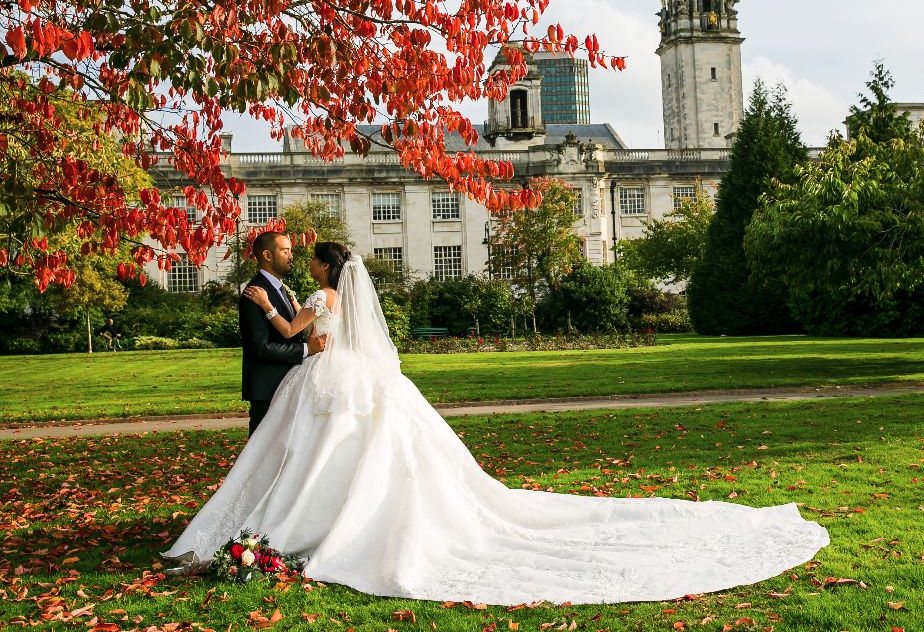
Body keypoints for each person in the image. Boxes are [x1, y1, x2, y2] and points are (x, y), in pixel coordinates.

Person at [165, 245, 828, 604]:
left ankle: (301, 521)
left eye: (310, 258)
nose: (303, 259)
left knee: (321, 452)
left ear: (325, 271)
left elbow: (292, 331)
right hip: (353, 377)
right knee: (350, 452)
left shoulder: (314, 296)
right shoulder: (344, 296)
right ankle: (314, 518)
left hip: (327, 378)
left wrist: (260, 301)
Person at [240, 231, 327, 436]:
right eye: (285, 251)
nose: (291, 256)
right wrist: (308, 348)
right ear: (267, 256)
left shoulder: (279, 289)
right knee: (260, 451)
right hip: (268, 386)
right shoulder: (255, 293)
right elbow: (260, 347)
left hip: (287, 382)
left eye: (291, 251)